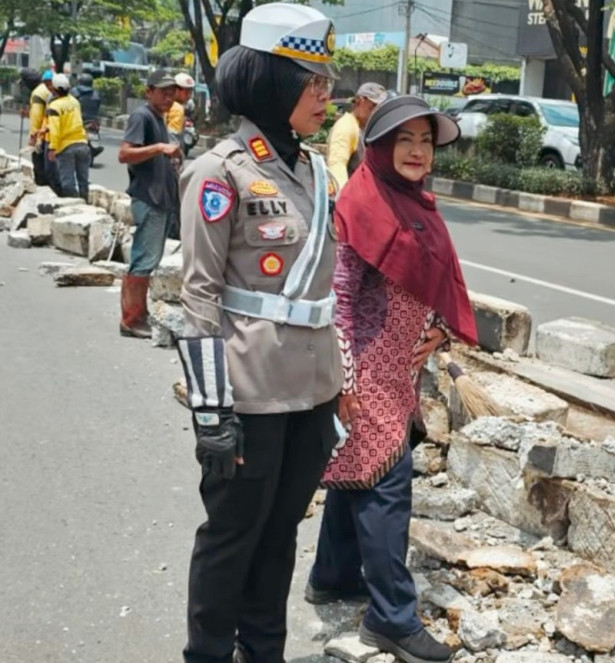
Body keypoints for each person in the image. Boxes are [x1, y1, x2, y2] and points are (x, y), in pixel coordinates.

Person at [175, 4, 342, 662]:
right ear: (270, 80)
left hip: (312, 394)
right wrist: (212, 413)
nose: (325, 94)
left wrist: (342, 388)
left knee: (280, 537)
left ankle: (262, 650)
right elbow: (198, 296)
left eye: (328, 80)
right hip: (249, 396)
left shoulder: (315, 172)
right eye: (311, 79)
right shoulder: (220, 172)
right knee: (232, 537)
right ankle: (209, 652)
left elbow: (325, 293)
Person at [308, 95, 479, 663]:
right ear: (377, 147)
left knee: (361, 468)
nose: (417, 150)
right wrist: (346, 381)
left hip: (400, 367)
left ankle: (332, 575)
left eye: (426, 140)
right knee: (388, 487)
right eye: (403, 139)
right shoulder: (362, 201)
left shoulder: (415, 202)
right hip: (365, 370)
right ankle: (392, 618)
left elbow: (427, 278)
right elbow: (340, 300)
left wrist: (439, 331)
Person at [117, 70, 180, 339]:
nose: (169, 97)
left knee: (149, 258)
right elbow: (124, 154)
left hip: (160, 200)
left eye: (172, 92)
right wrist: (159, 149)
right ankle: (132, 319)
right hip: (149, 199)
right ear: (149, 91)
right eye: (164, 91)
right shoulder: (142, 116)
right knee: (144, 260)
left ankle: (137, 316)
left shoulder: (158, 118)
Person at [326, 81, 387, 188]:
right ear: (359, 101)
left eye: (379, 108)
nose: (375, 113)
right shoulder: (346, 127)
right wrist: (342, 198)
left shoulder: (366, 128)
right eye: (372, 107)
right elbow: (337, 166)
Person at [46, 74, 91, 201]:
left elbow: (55, 130)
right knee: (83, 181)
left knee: (68, 183)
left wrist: (52, 148)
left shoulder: (55, 106)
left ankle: (76, 207)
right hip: (82, 144)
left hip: (66, 148)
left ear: (54, 89)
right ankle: (85, 204)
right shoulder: (75, 102)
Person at [27, 70, 54, 187]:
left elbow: (37, 117)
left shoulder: (38, 93)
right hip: (55, 134)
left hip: (42, 135)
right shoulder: (55, 92)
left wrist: (34, 137)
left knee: (39, 167)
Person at [166, 72, 195, 147]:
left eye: (191, 91)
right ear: (176, 89)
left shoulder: (166, 103)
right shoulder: (177, 108)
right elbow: (173, 137)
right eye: (186, 91)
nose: (189, 95)